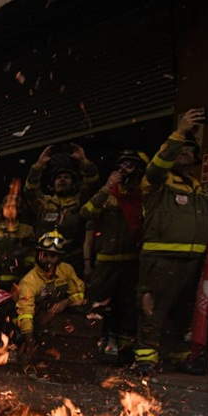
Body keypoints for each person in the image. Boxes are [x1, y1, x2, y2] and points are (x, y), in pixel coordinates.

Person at [131, 110, 208, 375]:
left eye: (189, 150)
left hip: (192, 261)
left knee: (182, 311)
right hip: (160, 257)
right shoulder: (157, 181)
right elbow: (158, 165)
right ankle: (146, 357)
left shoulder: (198, 188)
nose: (184, 153)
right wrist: (180, 132)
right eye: (179, 149)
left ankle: (179, 355)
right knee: (152, 308)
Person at [81, 149, 146, 358]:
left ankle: (125, 349)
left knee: (127, 307)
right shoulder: (109, 195)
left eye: (130, 165)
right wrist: (107, 187)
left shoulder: (143, 195)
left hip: (132, 261)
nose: (125, 170)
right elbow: (86, 213)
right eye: (122, 165)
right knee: (98, 305)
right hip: (106, 261)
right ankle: (93, 346)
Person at [25, 143, 99, 271]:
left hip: (73, 260)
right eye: (58, 178)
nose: (62, 180)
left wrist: (84, 162)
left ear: (73, 183)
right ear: (53, 184)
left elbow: (93, 182)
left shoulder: (79, 201)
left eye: (67, 177)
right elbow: (30, 190)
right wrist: (38, 166)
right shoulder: (45, 204)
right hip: (45, 260)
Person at [15, 231, 86, 344]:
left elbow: (79, 294)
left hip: (63, 321)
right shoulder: (29, 281)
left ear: (60, 257)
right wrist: (29, 339)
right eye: (44, 255)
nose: (47, 259)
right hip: (39, 324)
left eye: (53, 256)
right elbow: (26, 313)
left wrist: (66, 302)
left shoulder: (66, 270)